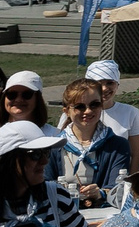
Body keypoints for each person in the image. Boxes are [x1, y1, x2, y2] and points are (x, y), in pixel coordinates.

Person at [53, 79, 132, 207]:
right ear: (67, 111)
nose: (88, 111)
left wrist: (100, 193)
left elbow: (117, 187)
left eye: (94, 104)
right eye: (80, 106)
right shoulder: (54, 146)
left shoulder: (118, 145)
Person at [87, 61, 139, 141]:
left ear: (117, 85)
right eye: (98, 83)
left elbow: (135, 152)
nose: (104, 88)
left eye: (110, 83)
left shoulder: (131, 112)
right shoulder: (76, 111)